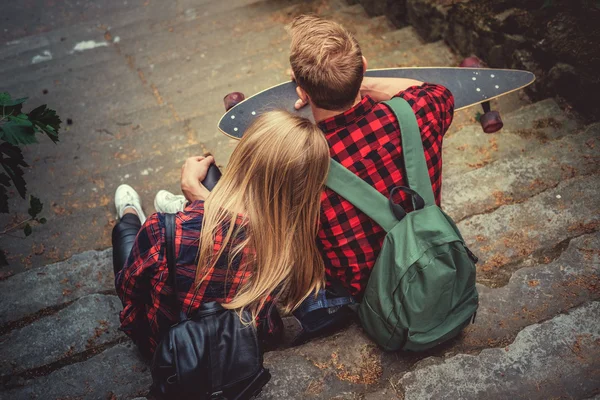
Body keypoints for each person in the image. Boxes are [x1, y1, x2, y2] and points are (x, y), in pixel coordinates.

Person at [112, 110, 330, 358]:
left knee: (126, 232)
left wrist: (202, 205)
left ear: (242, 158)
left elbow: (129, 291)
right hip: (244, 346)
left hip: (171, 350)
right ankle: (183, 207)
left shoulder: (161, 229)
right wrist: (203, 200)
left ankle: (130, 212)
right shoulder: (292, 240)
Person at [287, 15, 455, 300]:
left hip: (372, 296)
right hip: (438, 264)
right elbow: (432, 90)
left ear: (302, 91)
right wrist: (358, 82)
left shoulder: (300, 169)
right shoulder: (419, 112)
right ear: (363, 68)